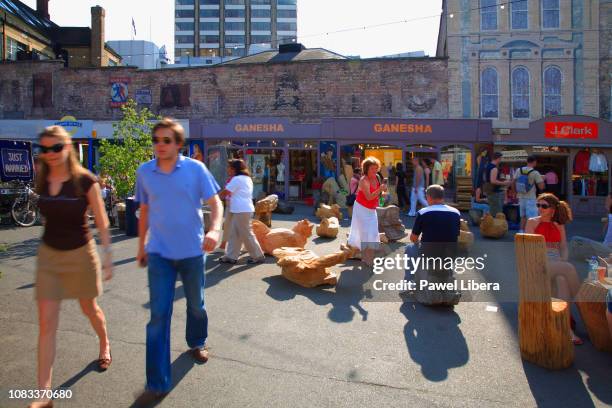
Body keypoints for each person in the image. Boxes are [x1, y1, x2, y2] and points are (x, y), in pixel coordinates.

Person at [134, 118, 223, 405]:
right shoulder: (145, 171)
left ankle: (197, 341)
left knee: (196, 303)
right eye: (156, 140)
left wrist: (215, 229)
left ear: (178, 144)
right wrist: (141, 245)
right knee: (158, 316)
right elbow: (144, 209)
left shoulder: (196, 169)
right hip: (159, 253)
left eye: (166, 140)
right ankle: (157, 382)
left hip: (192, 252)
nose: (160, 145)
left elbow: (216, 203)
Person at [32, 126, 113, 408]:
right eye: (44, 149)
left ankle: (104, 343)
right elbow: (46, 216)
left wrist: (108, 256)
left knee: (89, 308)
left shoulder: (84, 181)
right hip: (49, 256)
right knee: (46, 324)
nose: (50, 154)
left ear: (67, 148)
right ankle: (43, 393)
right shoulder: (42, 178)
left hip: (81, 254)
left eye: (56, 148)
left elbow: (102, 221)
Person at [525, 193, 583, 345]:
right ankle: (582, 304)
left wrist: (563, 259)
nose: (540, 209)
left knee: (562, 280)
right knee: (568, 268)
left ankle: (566, 328)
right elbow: (529, 249)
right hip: (538, 263)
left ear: (553, 209)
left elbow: (563, 246)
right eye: (538, 205)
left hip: (556, 263)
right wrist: (562, 262)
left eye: (544, 206)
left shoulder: (559, 224)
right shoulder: (532, 223)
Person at [405, 185, 461, 281]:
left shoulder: (423, 212)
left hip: (428, 252)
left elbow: (413, 238)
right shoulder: (456, 212)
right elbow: (456, 234)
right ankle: (449, 274)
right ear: (443, 197)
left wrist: (419, 242)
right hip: (450, 253)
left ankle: (409, 282)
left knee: (409, 248)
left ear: (429, 197)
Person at [219, 159, 265, 264]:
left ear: (234, 169)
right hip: (243, 209)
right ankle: (231, 256)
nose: (227, 169)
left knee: (246, 234)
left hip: (241, 210)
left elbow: (226, 192)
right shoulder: (246, 178)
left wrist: (213, 199)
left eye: (229, 167)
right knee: (235, 233)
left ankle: (258, 256)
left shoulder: (237, 179)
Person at [347, 157, 387, 266]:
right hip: (362, 209)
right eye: (372, 169)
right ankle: (366, 259)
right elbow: (369, 197)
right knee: (365, 234)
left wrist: (383, 193)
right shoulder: (363, 180)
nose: (375, 171)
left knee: (373, 233)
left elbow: (378, 195)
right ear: (366, 169)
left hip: (371, 209)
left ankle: (369, 257)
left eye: (376, 168)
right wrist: (380, 190)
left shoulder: (377, 177)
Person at [513, 155, 545, 232]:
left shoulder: (518, 170)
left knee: (522, 216)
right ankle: (531, 233)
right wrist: (543, 179)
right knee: (532, 218)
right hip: (531, 198)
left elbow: (513, 182)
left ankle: (521, 231)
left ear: (527, 161)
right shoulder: (535, 173)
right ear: (534, 162)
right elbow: (541, 187)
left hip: (521, 197)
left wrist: (514, 192)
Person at [484, 152, 512, 217]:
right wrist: (504, 182)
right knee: (497, 212)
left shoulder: (488, 166)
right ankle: (495, 225)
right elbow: (493, 181)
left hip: (490, 191)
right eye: (500, 158)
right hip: (494, 192)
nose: (501, 160)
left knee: (493, 210)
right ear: (498, 158)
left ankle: (491, 225)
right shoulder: (494, 168)